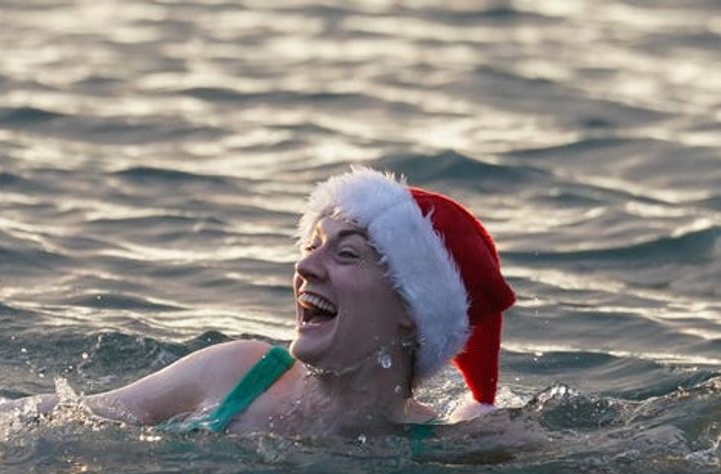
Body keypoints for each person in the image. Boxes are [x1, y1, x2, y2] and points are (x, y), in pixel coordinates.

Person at [84, 166, 516, 436]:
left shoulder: (445, 448)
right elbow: (79, 416)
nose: (306, 266)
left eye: (346, 254)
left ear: (411, 308)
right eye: (311, 246)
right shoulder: (238, 374)